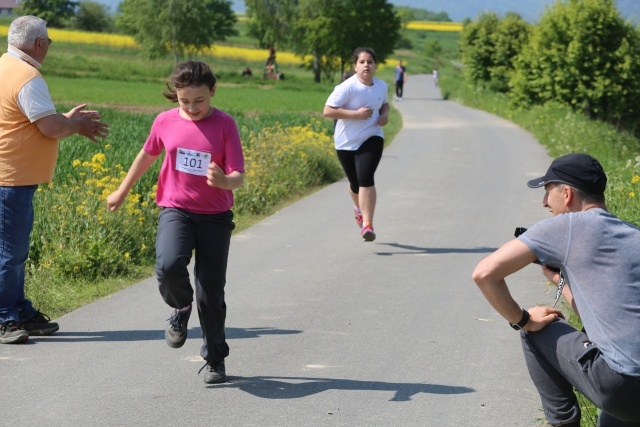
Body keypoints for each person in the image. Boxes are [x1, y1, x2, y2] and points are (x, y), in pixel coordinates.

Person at [472, 153, 640, 426]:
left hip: (620, 384)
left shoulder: (567, 226)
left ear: (568, 193)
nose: (544, 203)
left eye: (548, 192)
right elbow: (607, 317)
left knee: (535, 329)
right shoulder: (632, 235)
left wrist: (523, 320)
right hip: (629, 386)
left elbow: (484, 273)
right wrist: (560, 282)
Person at [107, 61, 244, 385]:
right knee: (168, 266)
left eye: (199, 100)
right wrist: (122, 190)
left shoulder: (225, 124)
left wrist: (224, 181)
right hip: (176, 210)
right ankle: (181, 307)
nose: (193, 108)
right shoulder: (164, 121)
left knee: (210, 294)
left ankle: (215, 360)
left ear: (212, 92)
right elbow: (147, 155)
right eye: (185, 101)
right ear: (176, 97)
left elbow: (238, 175)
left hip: (215, 217)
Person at [0, 16, 110, 344]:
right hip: (12, 178)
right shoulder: (28, 76)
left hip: (10, 175)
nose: (48, 47)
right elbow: (49, 128)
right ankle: (5, 317)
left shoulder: (5, 65)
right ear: (39, 44)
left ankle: (19, 310)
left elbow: (36, 121)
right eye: (48, 41)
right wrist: (75, 125)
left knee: (14, 250)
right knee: (10, 251)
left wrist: (65, 119)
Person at [323, 47, 389, 242]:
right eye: (362, 62)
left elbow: (384, 104)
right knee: (354, 183)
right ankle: (358, 208)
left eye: (370, 62)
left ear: (375, 65)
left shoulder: (381, 86)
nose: (366, 65)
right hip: (346, 143)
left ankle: (367, 224)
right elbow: (328, 111)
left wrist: (384, 115)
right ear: (355, 66)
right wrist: (355, 115)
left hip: (372, 136)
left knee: (365, 177)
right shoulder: (346, 88)